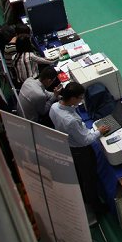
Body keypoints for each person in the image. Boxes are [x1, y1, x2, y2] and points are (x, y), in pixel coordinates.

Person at [49, 82, 109, 214]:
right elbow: (85, 140)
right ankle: (96, 206)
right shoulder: (71, 121)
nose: (81, 100)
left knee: (82, 175)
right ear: (72, 99)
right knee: (89, 178)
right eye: (80, 98)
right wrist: (99, 132)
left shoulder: (54, 107)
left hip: (69, 145)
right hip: (81, 151)